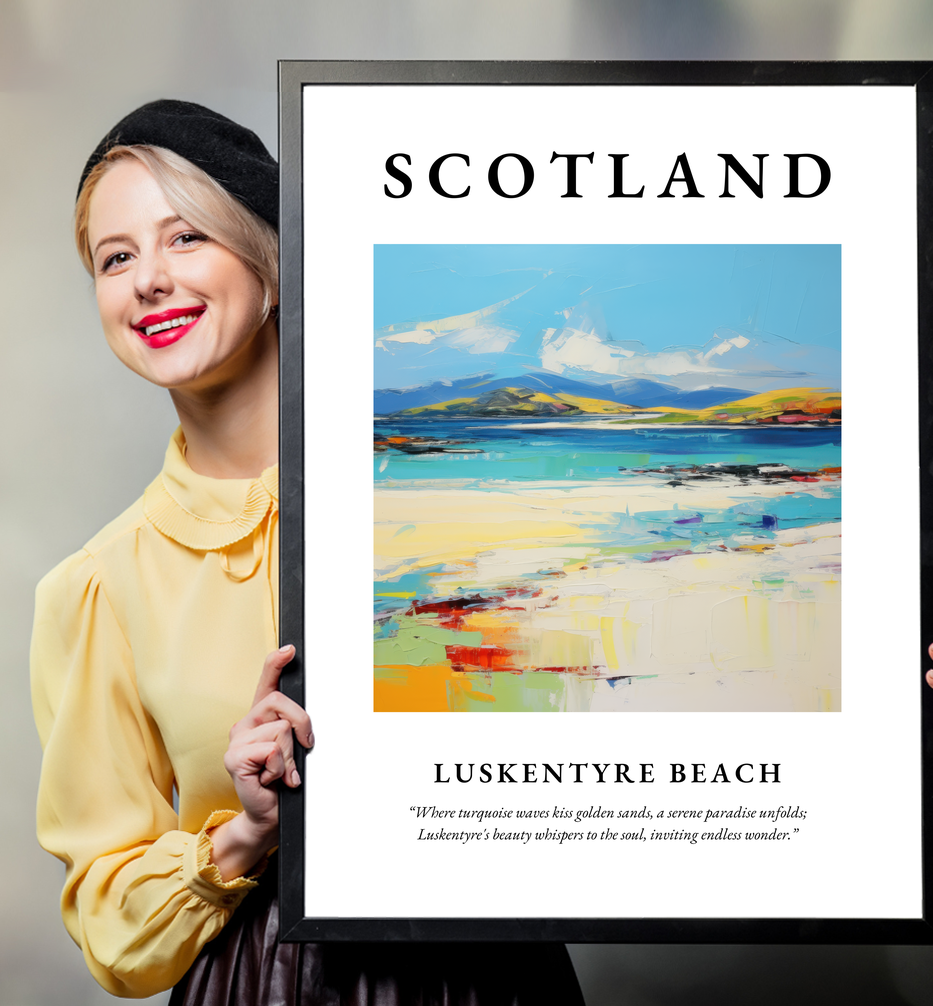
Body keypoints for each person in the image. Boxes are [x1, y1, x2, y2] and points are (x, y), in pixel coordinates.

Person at [30, 100, 586, 1004]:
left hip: (492, 973)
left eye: (185, 238)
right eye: (116, 257)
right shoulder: (97, 587)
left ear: (273, 263)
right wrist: (245, 832)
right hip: (261, 982)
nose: (148, 281)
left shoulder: (455, 495)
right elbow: (110, 923)